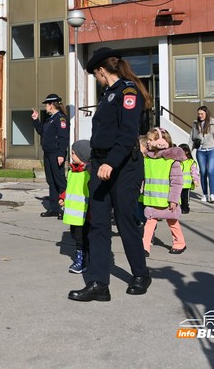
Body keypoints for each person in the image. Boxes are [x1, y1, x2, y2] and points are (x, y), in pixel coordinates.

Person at [68, 48, 151, 302]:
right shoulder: (108, 95)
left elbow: (128, 135)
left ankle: (140, 273)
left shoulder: (128, 92)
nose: (97, 79)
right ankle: (99, 284)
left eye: (96, 75)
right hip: (101, 163)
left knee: (125, 221)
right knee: (98, 223)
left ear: (101, 70)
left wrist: (111, 164)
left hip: (124, 165)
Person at [142, 128, 188, 256]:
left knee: (172, 221)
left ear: (161, 141)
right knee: (150, 222)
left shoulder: (171, 160)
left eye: (151, 140)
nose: (148, 142)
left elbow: (177, 182)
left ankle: (180, 243)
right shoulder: (147, 159)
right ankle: (144, 247)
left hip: (167, 200)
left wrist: (173, 199)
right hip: (151, 199)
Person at [31, 94, 70, 218]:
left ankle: (64, 208)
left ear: (52, 105)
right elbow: (42, 131)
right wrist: (36, 120)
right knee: (51, 181)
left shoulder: (61, 119)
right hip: (48, 153)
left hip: (56, 154)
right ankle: (54, 208)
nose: (45, 107)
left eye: (46, 105)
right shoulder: (50, 119)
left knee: (60, 181)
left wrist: (60, 154)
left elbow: (63, 138)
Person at [60, 140, 91, 274]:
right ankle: (83, 255)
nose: (71, 155)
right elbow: (70, 189)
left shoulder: (88, 173)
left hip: (85, 214)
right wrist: (63, 197)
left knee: (82, 238)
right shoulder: (73, 171)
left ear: (83, 155)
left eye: (74, 153)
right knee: (75, 235)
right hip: (74, 214)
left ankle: (81, 259)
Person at [189, 105, 214, 203]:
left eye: (202, 114)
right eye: (199, 114)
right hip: (200, 151)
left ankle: (212, 195)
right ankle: (205, 194)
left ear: (206, 113)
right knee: (203, 172)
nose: (200, 115)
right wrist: (188, 152)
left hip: (211, 150)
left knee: (210, 171)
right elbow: (192, 139)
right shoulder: (195, 124)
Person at [178, 144, 201, 214]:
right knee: (179, 197)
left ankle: (185, 208)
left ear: (186, 152)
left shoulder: (190, 162)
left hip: (186, 184)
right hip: (178, 183)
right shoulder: (177, 161)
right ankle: (180, 207)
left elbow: (194, 172)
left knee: (185, 198)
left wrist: (196, 180)